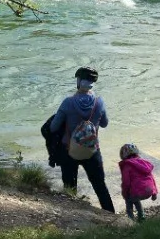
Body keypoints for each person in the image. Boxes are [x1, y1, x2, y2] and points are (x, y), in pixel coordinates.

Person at [48, 65, 116, 213]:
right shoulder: (99, 102)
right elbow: (104, 124)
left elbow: (53, 127)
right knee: (100, 186)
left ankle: (71, 216)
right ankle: (112, 217)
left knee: (70, 188)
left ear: (78, 82)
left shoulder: (68, 102)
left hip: (69, 151)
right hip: (92, 151)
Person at [117, 142, 158, 221]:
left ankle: (130, 219)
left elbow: (126, 183)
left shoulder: (127, 166)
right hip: (149, 191)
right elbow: (151, 178)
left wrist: (124, 193)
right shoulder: (144, 163)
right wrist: (154, 192)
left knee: (129, 199)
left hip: (138, 193)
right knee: (135, 197)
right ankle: (141, 216)